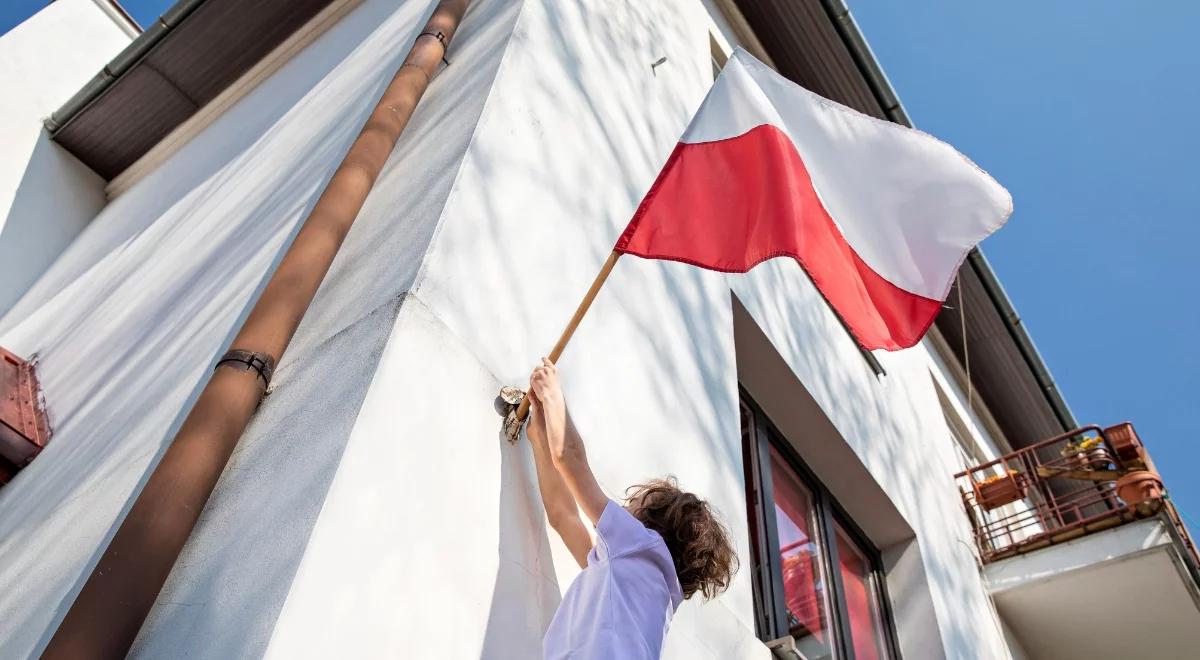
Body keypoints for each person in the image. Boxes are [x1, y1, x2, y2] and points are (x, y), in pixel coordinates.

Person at [525, 358, 737, 660]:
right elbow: (563, 516)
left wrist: (553, 394)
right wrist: (539, 437)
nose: (624, 506)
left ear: (652, 520)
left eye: (634, 502)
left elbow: (570, 459)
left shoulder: (640, 543)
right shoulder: (643, 584)